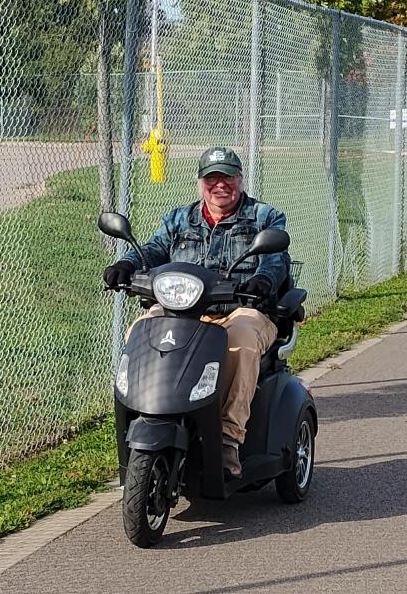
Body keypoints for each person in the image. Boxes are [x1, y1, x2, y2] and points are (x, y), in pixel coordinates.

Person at [103, 147, 290, 478]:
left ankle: (228, 437)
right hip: (184, 310)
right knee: (139, 332)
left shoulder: (265, 216)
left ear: (240, 178)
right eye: (212, 178)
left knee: (242, 342)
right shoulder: (179, 218)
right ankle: (145, 416)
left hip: (241, 310)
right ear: (200, 182)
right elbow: (154, 249)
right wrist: (127, 264)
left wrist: (263, 279)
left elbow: (276, 260)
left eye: (227, 177)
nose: (220, 185)